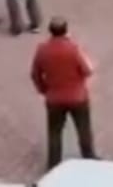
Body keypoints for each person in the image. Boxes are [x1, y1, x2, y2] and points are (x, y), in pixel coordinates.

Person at [30, 17, 96, 169]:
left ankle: (53, 163)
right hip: (77, 97)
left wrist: (43, 89)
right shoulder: (72, 49)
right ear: (66, 30)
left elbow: (35, 74)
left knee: (54, 132)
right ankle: (88, 156)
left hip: (54, 98)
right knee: (83, 129)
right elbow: (86, 70)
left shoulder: (42, 50)